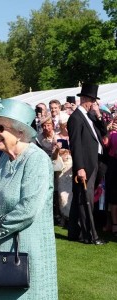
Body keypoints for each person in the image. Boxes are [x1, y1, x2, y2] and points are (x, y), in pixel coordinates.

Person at [0, 98, 58, 299]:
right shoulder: (4, 158)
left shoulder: (36, 160)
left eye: (0, 128)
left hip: (28, 252)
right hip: (2, 253)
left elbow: (28, 209)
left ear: (21, 132)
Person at [67, 83, 108, 245]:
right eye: (92, 100)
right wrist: (80, 167)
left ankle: (73, 231)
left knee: (81, 198)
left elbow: (103, 133)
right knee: (85, 199)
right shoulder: (76, 118)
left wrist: (98, 115)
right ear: (84, 99)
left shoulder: (90, 116)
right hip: (85, 165)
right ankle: (89, 235)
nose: (93, 104)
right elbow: (75, 145)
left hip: (95, 161)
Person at [52, 112, 72, 226]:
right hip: (61, 166)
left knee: (70, 193)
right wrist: (57, 149)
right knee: (61, 194)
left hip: (72, 165)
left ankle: (70, 217)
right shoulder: (57, 136)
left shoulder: (73, 135)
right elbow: (54, 155)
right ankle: (64, 216)